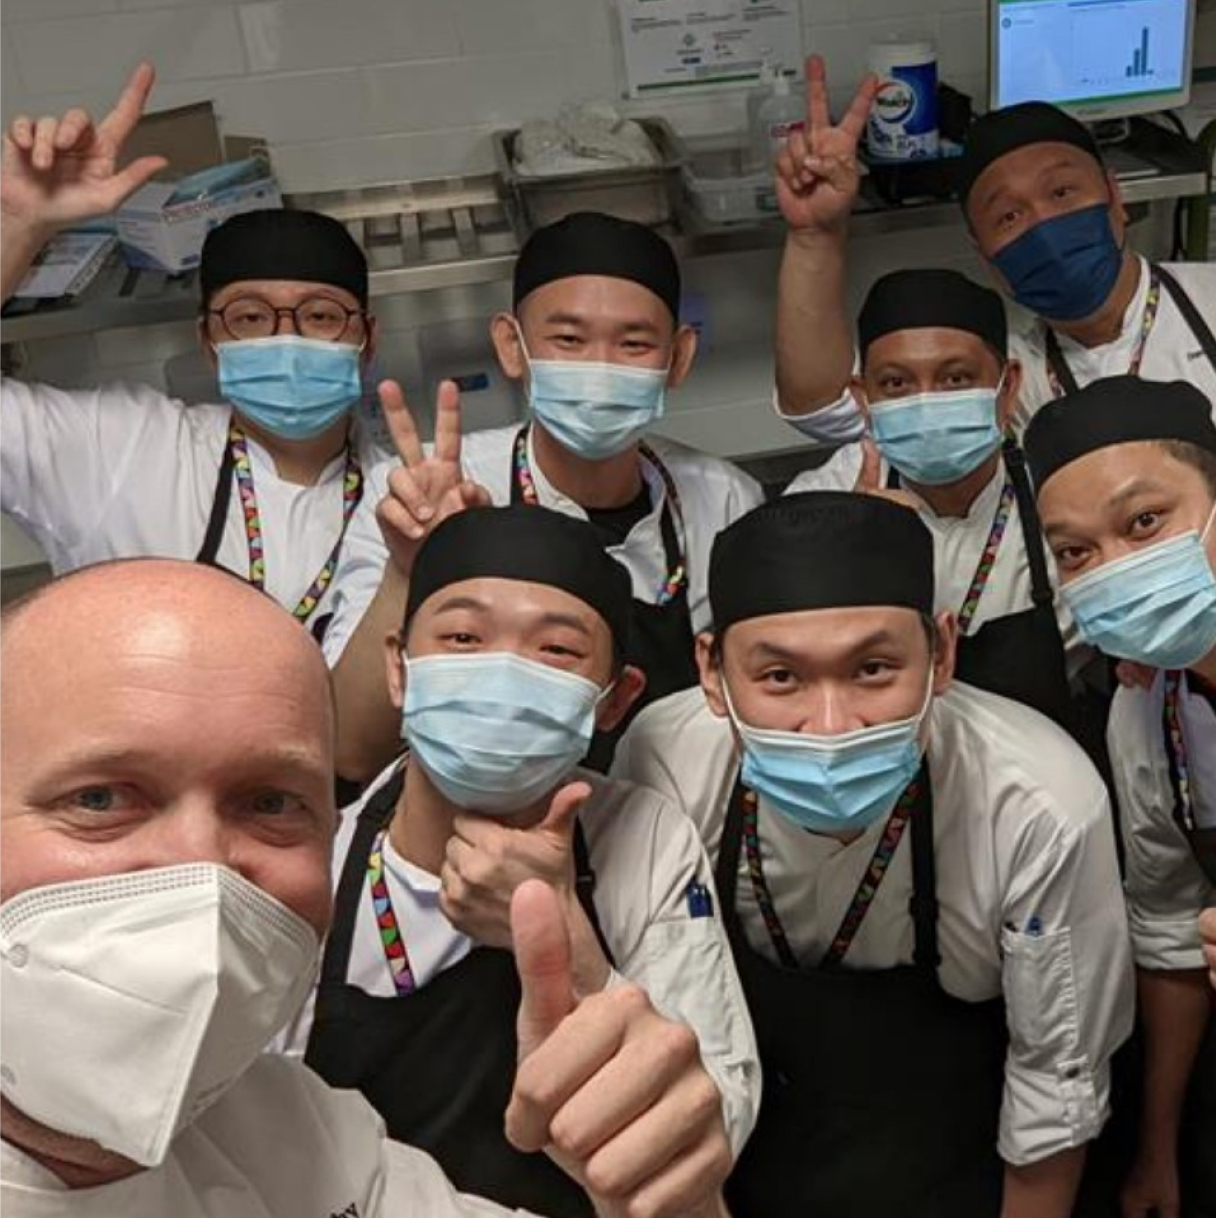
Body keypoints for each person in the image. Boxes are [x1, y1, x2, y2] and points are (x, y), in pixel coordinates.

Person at [0, 558, 734, 1218]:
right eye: (98, 800)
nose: (205, 871)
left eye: (271, 804)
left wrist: (678, 1207)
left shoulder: (307, 1141)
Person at [613, 491, 1134, 1218]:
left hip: (957, 1169)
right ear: (710, 670)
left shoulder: (1038, 803)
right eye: (780, 678)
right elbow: (664, 1030)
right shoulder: (663, 762)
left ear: (941, 654)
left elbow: (1056, 1085)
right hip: (741, 1171)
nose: (830, 727)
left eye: (873, 670)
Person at [279, 502, 758, 1216]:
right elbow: (251, 1136)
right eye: (464, 636)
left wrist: (564, 934)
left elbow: (710, 1124)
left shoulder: (642, 835)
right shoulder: (316, 862)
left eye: (557, 652)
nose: (501, 672)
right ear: (400, 669)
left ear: (614, 700)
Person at [325, 211, 764, 782]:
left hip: (666, 827)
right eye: (568, 340)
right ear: (512, 346)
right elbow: (351, 753)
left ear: (678, 357)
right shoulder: (420, 489)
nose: (599, 370)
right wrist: (411, 570)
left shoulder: (725, 503)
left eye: (633, 343)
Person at [1, 65, 384, 639]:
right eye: (250, 316)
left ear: (366, 341)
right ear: (208, 342)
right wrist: (18, 225)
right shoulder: (122, 451)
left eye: (321, 315)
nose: (286, 337)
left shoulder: (404, 494)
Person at [772, 65, 1216, 446]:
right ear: (984, 253)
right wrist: (816, 235)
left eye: (1061, 192)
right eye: (1008, 216)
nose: (1043, 224)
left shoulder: (1208, 298)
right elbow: (823, 406)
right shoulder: (999, 378)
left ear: (1115, 196)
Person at [1024, 375, 1216, 1218]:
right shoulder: (1150, 713)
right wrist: (1158, 1151)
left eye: (1146, 524)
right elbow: (1173, 938)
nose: (1117, 572)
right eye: (1076, 553)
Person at [785, 266, 1080, 729]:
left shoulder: (1064, 495)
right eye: (897, 384)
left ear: (1008, 388)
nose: (927, 403)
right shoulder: (815, 508)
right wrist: (856, 559)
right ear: (863, 398)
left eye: (956, 379)